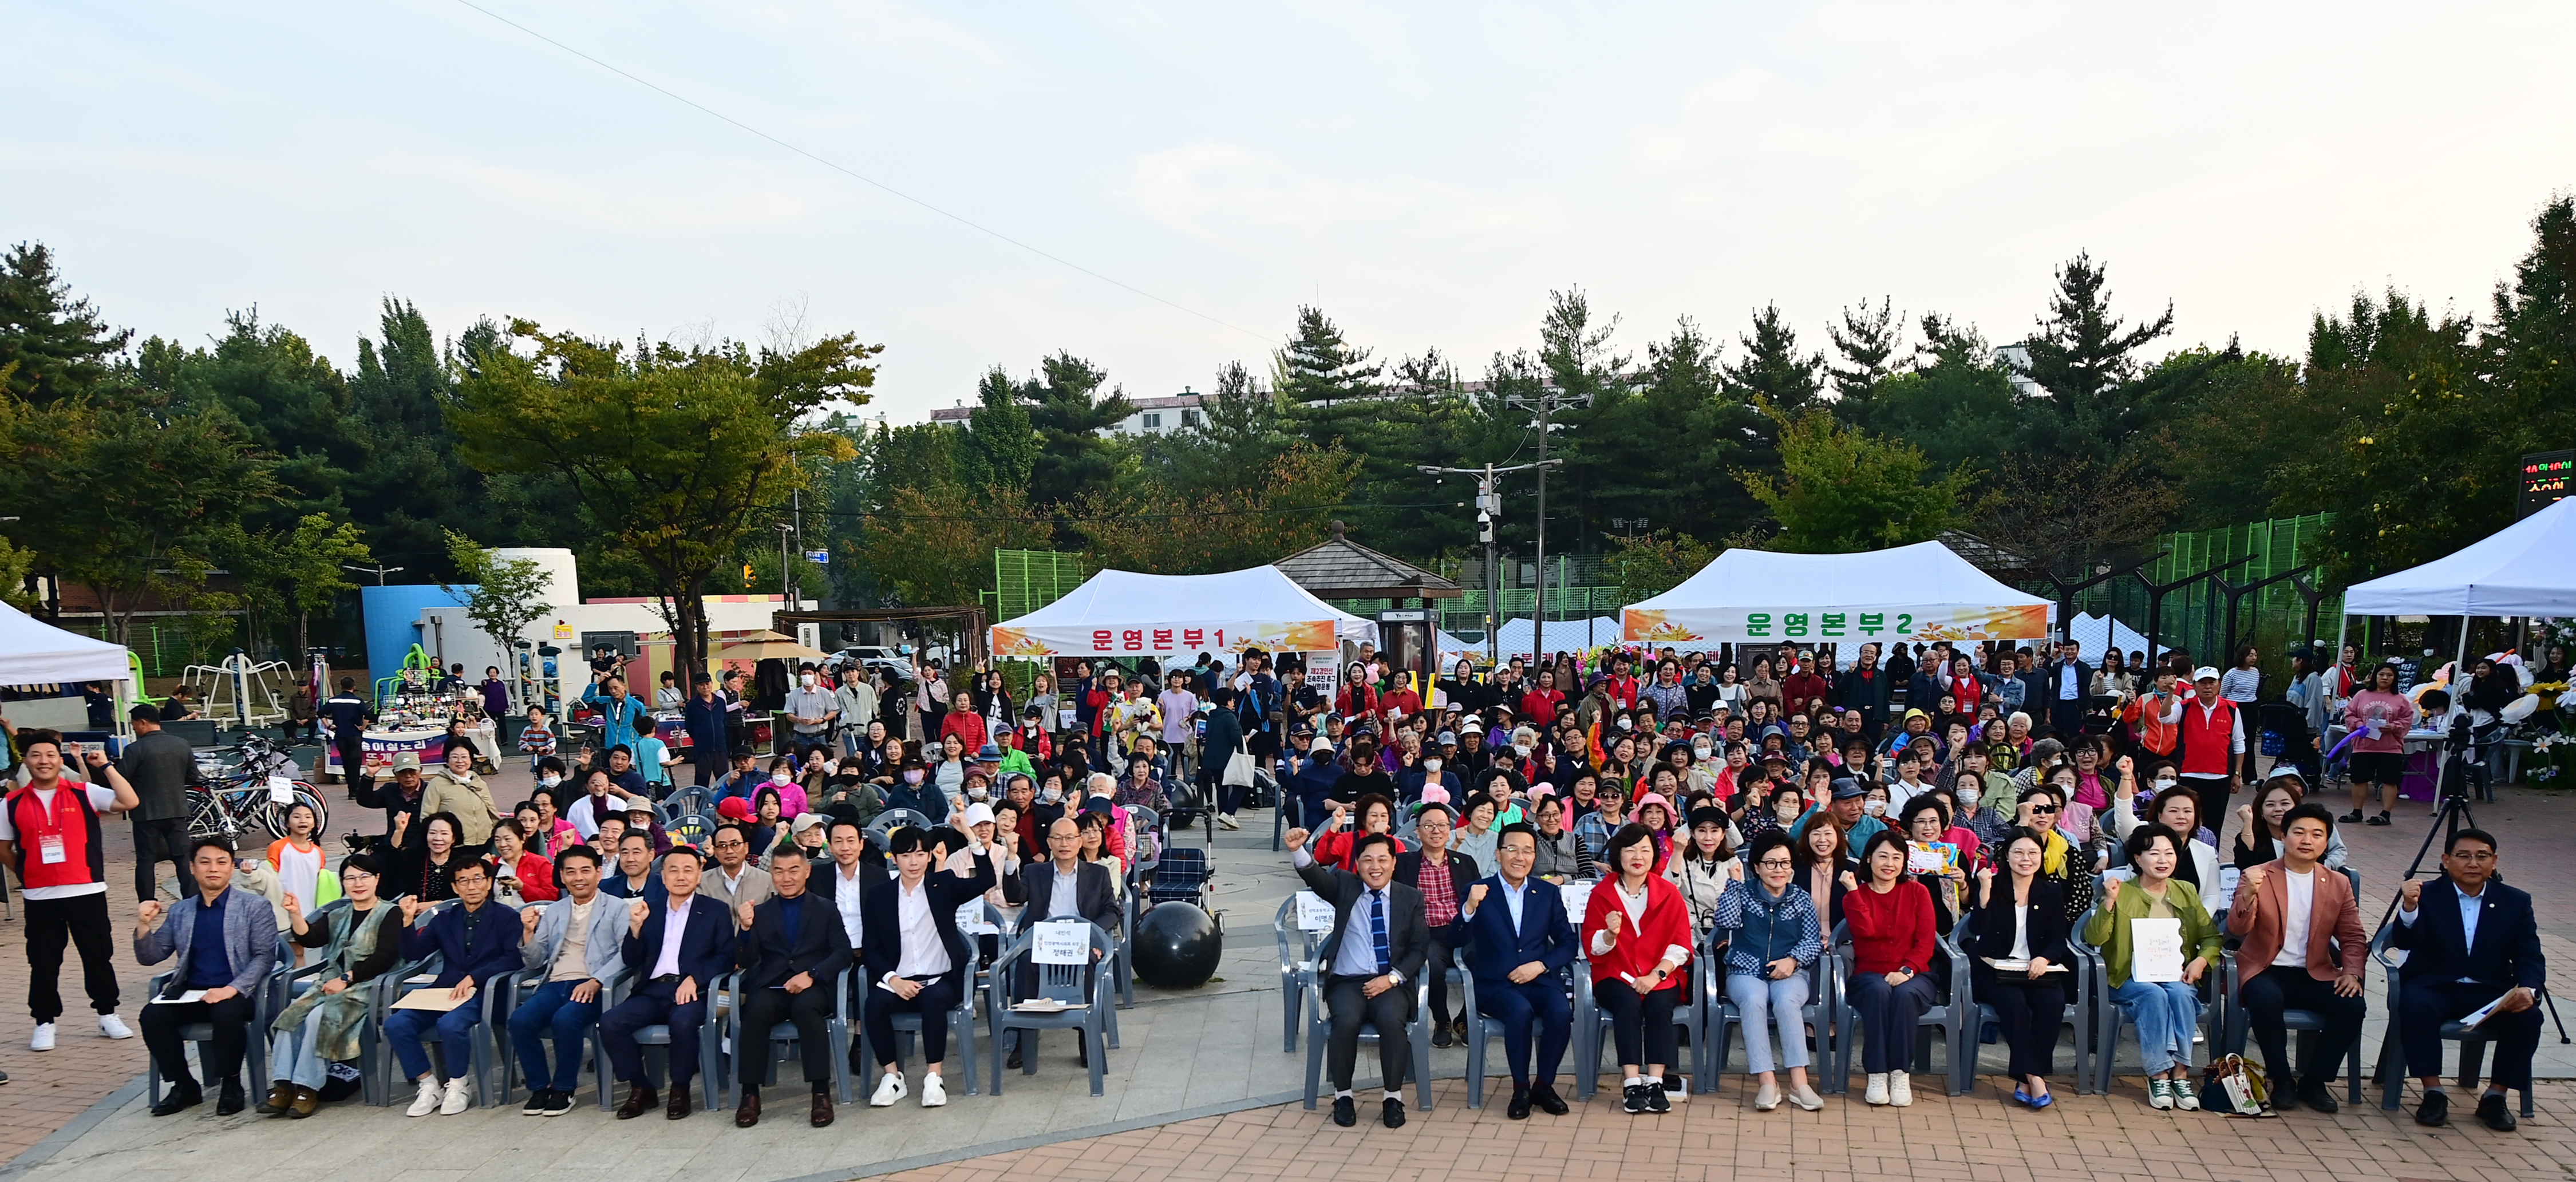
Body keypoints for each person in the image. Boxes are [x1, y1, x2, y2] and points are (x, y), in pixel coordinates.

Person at [2393, 828, 2545, 1130]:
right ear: (2446, 860)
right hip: (2435, 985)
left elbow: (2529, 954)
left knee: (2529, 1017)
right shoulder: (2426, 894)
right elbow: (2404, 941)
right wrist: (2409, 908)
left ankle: (2495, 1096)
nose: (2473, 863)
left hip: (2490, 989)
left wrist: (2529, 989)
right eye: (2463, 856)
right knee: (2414, 1005)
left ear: (2494, 861)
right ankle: (2433, 1092)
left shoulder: (2515, 901)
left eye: (2482, 856)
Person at [2, 731, 142, 1054]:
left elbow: (129, 801)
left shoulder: (84, 792)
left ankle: (107, 1014)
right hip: (40, 896)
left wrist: (105, 766)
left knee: (97, 956)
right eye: (36, 755)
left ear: (59, 759)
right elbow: (3, 847)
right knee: (43, 961)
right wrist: (25, 873)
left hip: (86, 889)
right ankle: (44, 1021)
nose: (44, 761)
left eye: (50, 755)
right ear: (26, 761)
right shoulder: (11, 803)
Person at [1285, 824, 1428, 1129]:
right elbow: (1317, 878)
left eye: (1382, 859)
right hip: (1348, 981)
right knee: (1346, 1021)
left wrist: (1392, 979)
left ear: (1393, 863)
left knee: (1392, 1021)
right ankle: (1343, 1095)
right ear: (1357, 864)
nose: (1375, 867)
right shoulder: (1345, 886)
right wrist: (1298, 851)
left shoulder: (1411, 898)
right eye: (1367, 860)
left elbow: (1419, 949)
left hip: (1390, 981)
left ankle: (1393, 1097)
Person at [2225, 803, 2366, 1113]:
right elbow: (2236, 928)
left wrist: (2352, 971)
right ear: (2284, 836)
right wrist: (2248, 895)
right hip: (2266, 968)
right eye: (2299, 832)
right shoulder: (2259, 874)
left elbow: (2353, 935)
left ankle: (2315, 1081)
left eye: (2317, 834)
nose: (2307, 840)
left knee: (2353, 1005)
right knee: (2265, 1000)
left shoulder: (2338, 883)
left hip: (2315, 971)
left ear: (2326, 841)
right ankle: (2282, 1080)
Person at [133, 837, 279, 1115]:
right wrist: (143, 925)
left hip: (238, 992)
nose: (214, 869)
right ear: (192, 868)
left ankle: (231, 1084)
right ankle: (184, 1085)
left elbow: (264, 957)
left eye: (222, 862)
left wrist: (231, 989)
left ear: (231, 868)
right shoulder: (182, 910)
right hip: (192, 993)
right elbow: (151, 956)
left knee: (226, 1013)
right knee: (152, 1016)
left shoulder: (254, 907)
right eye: (205, 862)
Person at [2084, 823, 2221, 1110]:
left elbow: (2211, 937)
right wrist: (2109, 902)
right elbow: (2094, 938)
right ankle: (2159, 1074)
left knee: (2180, 994)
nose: (2163, 860)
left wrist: (2201, 960)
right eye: (2154, 853)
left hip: (2175, 975)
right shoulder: (2122, 890)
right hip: (2128, 977)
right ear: (2137, 858)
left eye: (2169, 853)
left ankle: (2180, 1073)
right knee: (2153, 995)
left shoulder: (2186, 891)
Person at [860, 827, 995, 1107]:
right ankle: (893, 1076)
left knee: (933, 1000)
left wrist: (971, 837)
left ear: (930, 856)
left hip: (941, 979)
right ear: (894, 858)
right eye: (906, 855)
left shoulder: (942, 885)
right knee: (874, 1005)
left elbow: (986, 880)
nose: (914, 862)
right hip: (900, 981)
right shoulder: (879, 895)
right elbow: (870, 948)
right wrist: (893, 980)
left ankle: (934, 1076)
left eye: (921, 854)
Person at [263, 851, 398, 1117]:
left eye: (364, 877)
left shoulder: (389, 913)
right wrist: (296, 914)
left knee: (318, 1018)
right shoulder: (339, 913)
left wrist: (347, 978)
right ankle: (283, 1085)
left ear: (377, 879)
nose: (358, 883)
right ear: (343, 883)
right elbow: (311, 938)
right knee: (291, 1016)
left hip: (369, 986)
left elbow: (386, 957)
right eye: (350, 878)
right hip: (331, 983)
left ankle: (308, 1088)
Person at [1456, 823, 1577, 1119]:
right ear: (1499, 854)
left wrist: (1542, 965)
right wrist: (1469, 908)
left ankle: (1544, 1086)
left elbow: (1568, 943)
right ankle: (1520, 1089)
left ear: (1534, 857)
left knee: (1561, 1011)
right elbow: (1455, 940)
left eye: (1527, 851)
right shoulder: (1479, 890)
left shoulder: (1547, 893)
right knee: (1520, 1011)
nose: (1520, 857)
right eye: (1512, 849)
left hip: (1539, 979)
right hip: (1495, 984)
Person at [386, 856, 522, 1116]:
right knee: (396, 1024)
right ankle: (428, 1084)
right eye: (464, 881)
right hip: (445, 991)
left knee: (450, 1024)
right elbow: (414, 953)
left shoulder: (506, 917)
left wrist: (475, 977)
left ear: (489, 883)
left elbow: (513, 958)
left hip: (486, 992)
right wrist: (407, 921)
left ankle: (459, 1084)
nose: (471, 886)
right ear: (455, 887)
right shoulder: (445, 919)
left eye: (477, 879)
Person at [602, 847, 731, 1119]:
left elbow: (725, 956)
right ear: (663, 877)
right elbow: (631, 959)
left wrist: (695, 979)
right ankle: (641, 1087)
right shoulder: (651, 910)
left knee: (683, 1023)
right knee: (611, 1022)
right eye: (674, 870)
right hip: (653, 990)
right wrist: (635, 929)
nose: (681, 877)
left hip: (692, 991)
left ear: (699, 876)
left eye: (688, 870)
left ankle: (680, 1089)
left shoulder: (715, 910)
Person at [725, 843, 843, 1128]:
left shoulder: (826, 909)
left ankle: (821, 1093)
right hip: (772, 985)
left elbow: (841, 952)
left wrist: (812, 974)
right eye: (779, 871)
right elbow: (746, 959)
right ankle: (750, 1095)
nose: (786, 878)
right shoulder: (761, 911)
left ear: (807, 871)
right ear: (772, 874)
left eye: (794, 870)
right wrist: (745, 929)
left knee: (807, 1010)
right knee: (756, 1010)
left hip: (811, 985)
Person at [508, 845, 627, 1117]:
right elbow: (535, 961)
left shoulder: (617, 907)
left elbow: (626, 954)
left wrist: (597, 981)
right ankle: (540, 1087)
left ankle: (564, 1088)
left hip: (594, 985)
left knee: (566, 1020)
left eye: (586, 871)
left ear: (599, 873)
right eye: (571, 872)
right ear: (562, 876)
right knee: (520, 1021)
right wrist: (528, 933)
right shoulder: (555, 910)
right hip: (556, 983)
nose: (578, 878)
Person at [1584, 824, 1693, 1114]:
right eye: (1630, 850)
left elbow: (1681, 944)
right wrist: (1610, 934)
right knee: (1628, 1004)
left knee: (1660, 1005)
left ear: (1654, 855)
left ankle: (1655, 1081)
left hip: (1660, 973)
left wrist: (1656, 975)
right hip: (1614, 973)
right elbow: (1593, 948)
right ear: (1618, 855)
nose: (1638, 856)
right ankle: (1632, 1082)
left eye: (1645, 850)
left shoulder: (1668, 893)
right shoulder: (1601, 894)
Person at [1712, 831, 1824, 1112]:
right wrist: (1734, 887)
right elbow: (1725, 922)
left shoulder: (1801, 898)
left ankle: (1800, 1083)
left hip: (1791, 972)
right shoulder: (1743, 892)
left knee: (1786, 1002)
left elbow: (1813, 941)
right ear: (1757, 866)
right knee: (1754, 1000)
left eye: (1785, 863)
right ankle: (1767, 1082)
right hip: (1745, 971)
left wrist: (1793, 960)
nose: (1779, 870)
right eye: (1771, 863)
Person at [1963, 827, 2072, 1108]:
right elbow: (1978, 928)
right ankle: (2036, 1077)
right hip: (1994, 969)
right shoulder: (1992, 885)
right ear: (2007, 856)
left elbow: (2058, 939)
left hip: (2035, 970)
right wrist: (1984, 892)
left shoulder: (2050, 891)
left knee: (2053, 1002)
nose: (2026, 859)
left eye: (2033, 853)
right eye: (2019, 852)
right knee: (2014, 1003)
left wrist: (2044, 959)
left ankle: (2025, 1078)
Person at [1844, 830, 1938, 1106]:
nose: (1890, 864)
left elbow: (1925, 941)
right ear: (1869, 858)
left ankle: (1899, 1073)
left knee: (1905, 995)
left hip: (1914, 973)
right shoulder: (1855, 895)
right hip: (1869, 974)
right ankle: (1876, 1073)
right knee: (1879, 991)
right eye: (1883, 856)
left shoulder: (1918, 892)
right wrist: (1853, 892)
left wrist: (1907, 971)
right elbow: (1866, 931)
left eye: (1897, 858)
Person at [1394, 804, 1479, 1049]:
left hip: (1463, 929)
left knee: (1489, 958)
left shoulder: (1465, 862)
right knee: (1431, 964)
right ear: (1417, 831)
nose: (1436, 831)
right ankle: (1442, 1020)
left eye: (1442, 825)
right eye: (1429, 825)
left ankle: (1464, 1019)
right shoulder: (1403, 864)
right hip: (1427, 933)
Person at [118, 703, 195, 903]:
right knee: (183, 858)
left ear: (143, 722)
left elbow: (121, 778)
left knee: (146, 861)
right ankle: (191, 899)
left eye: (134, 725)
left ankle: (147, 902)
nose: (134, 729)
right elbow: (193, 776)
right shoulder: (182, 744)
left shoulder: (135, 749)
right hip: (177, 809)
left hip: (145, 813)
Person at [2342, 663, 2414, 827]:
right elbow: (2349, 714)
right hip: (2363, 746)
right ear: (2375, 676)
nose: (2385, 678)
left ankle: (2385, 814)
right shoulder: (2362, 695)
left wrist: (2393, 726)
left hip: (2390, 748)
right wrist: (2359, 724)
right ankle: (2357, 811)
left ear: (2394, 678)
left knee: (2389, 781)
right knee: (2359, 779)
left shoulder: (2401, 699)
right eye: (2382, 674)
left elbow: (2407, 719)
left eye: (2389, 675)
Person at [2174, 667, 2243, 827]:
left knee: (2214, 825)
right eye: (2202, 683)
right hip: (2189, 774)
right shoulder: (2183, 707)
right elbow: (2164, 718)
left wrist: (2237, 773)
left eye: (2212, 682)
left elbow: (2239, 742)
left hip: (2220, 777)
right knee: (2186, 823)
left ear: (2219, 684)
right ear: (2194, 686)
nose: (2207, 687)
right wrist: (2171, 694)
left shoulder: (2232, 709)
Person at [420, 742, 503, 852]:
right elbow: (427, 817)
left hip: (485, 842)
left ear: (471, 759)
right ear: (447, 760)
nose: (460, 761)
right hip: (456, 846)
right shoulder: (437, 784)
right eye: (455, 757)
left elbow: (492, 811)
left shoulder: (479, 783)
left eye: (464, 757)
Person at [700, 823, 775, 914]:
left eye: (735, 844)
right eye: (723, 846)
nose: (729, 851)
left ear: (746, 848)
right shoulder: (703, 882)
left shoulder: (766, 880)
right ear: (715, 852)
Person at [683, 673, 732, 789]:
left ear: (712, 684)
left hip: (720, 748)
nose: (705, 687)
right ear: (697, 687)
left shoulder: (720, 702)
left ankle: (724, 801)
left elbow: (724, 722)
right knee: (702, 783)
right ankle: (701, 801)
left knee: (724, 783)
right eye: (701, 685)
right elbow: (689, 726)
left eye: (707, 684)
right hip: (703, 750)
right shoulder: (692, 705)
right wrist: (700, 737)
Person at [321, 678, 373, 786]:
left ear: (341, 687)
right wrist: (363, 727)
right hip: (354, 735)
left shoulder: (333, 701)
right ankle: (355, 788)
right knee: (355, 763)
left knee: (346, 762)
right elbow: (368, 715)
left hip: (340, 735)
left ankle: (351, 786)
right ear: (354, 687)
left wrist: (329, 726)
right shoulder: (358, 701)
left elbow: (320, 712)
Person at [583, 675, 651, 755]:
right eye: (610, 688)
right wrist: (598, 682)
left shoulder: (637, 705)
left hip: (631, 749)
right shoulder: (606, 702)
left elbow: (643, 729)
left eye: (616, 688)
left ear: (624, 686)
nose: (613, 691)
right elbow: (587, 698)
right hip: (611, 748)